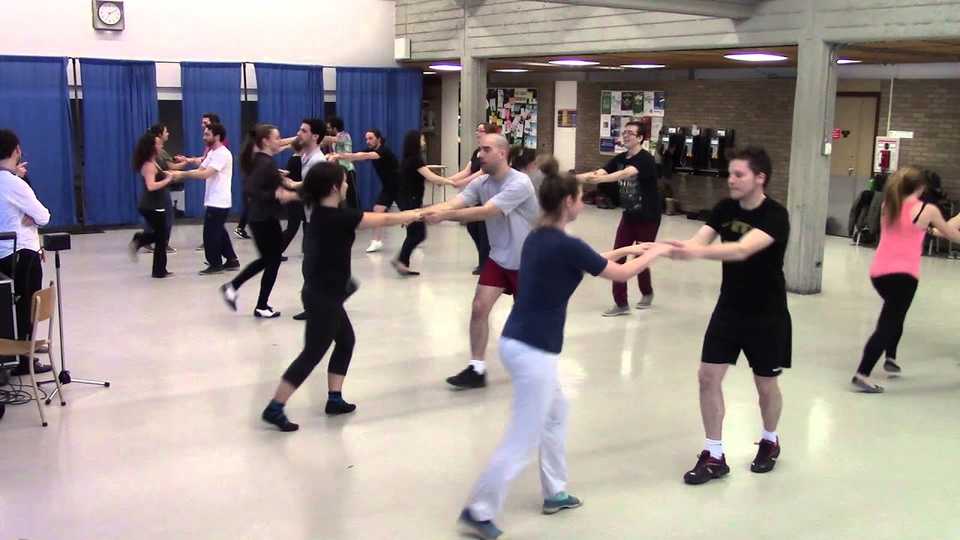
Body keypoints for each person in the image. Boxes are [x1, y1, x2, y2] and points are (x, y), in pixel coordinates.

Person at [458, 170, 672, 540]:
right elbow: (619, 276)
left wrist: (625, 250)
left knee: (556, 413)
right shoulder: (564, 244)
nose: (584, 202)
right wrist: (660, 251)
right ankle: (479, 510)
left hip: (519, 342)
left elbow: (590, 260)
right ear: (568, 202)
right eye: (580, 197)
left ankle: (555, 491)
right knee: (523, 436)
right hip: (533, 350)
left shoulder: (541, 237)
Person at [260, 162, 424, 431]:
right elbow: (382, 219)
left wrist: (291, 192)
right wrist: (417, 214)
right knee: (312, 353)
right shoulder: (338, 217)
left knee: (346, 341)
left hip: (325, 293)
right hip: (324, 297)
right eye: (345, 181)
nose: (348, 185)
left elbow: (306, 193)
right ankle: (275, 406)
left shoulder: (323, 212)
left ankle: (334, 399)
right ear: (335, 187)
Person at [665, 147, 791, 485]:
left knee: (765, 384)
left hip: (767, 313)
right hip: (729, 308)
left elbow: (742, 249)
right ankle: (714, 454)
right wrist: (677, 247)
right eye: (730, 174)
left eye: (739, 174)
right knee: (707, 377)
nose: (731, 180)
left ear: (759, 177)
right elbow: (699, 239)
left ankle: (769, 439)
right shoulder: (723, 209)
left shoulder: (775, 215)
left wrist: (695, 253)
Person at [422, 133, 540, 389]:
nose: (479, 155)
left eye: (485, 149)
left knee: (526, 319)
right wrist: (427, 211)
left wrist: (444, 217)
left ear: (501, 153)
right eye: (479, 150)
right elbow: (456, 201)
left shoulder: (519, 183)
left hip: (529, 261)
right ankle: (477, 369)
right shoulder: (482, 182)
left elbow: (486, 212)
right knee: (478, 309)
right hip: (499, 258)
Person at [852, 166, 960, 393]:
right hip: (904, 277)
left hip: (879, 273)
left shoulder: (887, 205)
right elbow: (951, 234)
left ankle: (890, 356)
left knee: (894, 316)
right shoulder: (927, 210)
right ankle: (862, 373)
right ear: (921, 187)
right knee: (888, 323)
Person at [577, 120, 662, 316]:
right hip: (629, 214)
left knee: (640, 256)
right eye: (624, 132)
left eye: (630, 133)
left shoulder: (645, 160)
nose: (625, 135)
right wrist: (573, 178)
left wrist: (600, 179)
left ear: (640, 138)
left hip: (648, 216)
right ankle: (621, 303)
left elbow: (624, 174)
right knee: (618, 255)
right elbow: (600, 172)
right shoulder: (621, 157)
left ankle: (647, 292)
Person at [219, 124, 289, 318]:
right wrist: (275, 194)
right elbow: (251, 188)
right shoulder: (265, 162)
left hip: (262, 217)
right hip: (263, 218)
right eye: (276, 138)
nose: (279, 141)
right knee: (271, 260)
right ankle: (257, 302)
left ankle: (239, 291)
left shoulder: (262, 160)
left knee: (270, 260)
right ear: (266, 141)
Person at [0, 128, 53, 376]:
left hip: (3, 255)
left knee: (7, 309)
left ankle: (10, 354)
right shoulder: (14, 184)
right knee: (28, 308)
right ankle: (26, 361)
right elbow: (43, 216)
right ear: (16, 151)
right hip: (23, 254)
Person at [177, 123, 239, 275]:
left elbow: (205, 174)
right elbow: (200, 170)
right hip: (213, 199)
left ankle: (215, 264)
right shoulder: (212, 152)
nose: (204, 137)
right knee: (219, 231)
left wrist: (181, 175)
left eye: (207, 134)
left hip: (219, 201)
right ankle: (231, 260)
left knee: (210, 234)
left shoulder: (223, 154)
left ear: (217, 136)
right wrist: (175, 172)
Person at [391, 130, 454, 276]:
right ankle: (401, 260)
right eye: (422, 139)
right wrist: (450, 182)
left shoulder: (408, 159)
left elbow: (422, 177)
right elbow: (432, 177)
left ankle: (402, 263)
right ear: (416, 142)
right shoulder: (415, 160)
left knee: (414, 233)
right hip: (411, 201)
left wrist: (442, 181)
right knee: (418, 234)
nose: (424, 141)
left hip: (407, 200)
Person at [327, 129, 400, 254]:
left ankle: (416, 231)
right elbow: (357, 155)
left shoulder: (384, 151)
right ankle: (376, 241)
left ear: (379, 139)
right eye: (366, 139)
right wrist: (336, 156)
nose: (368, 141)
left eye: (371, 138)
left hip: (400, 185)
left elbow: (363, 156)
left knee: (410, 210)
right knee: (378, 210)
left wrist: (339, 155)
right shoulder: (372, 150)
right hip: (389, 187)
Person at [129, 132, 186, 278]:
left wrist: (172, 174)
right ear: (151, 147)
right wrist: (168, 180)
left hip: (156, 205)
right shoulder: (149, 165)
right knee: (161, 237)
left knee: (161, 237)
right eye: (157, 144)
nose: (161, 145)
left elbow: (165, 172)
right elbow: (151, 186)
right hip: (150, 206)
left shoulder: (155, 161)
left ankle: (157, 267)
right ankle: (142, 243)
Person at [446, 123, 499, 275]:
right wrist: (448, 180)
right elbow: (467, 170)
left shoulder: (491, 151)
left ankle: (485, 264)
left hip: (489, 194)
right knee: (472, 227)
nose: (477, 133)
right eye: (477, 130)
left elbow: (482, 172)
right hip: (477, 194)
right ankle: (486, 259)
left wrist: (460, 183)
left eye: (481, 130)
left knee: (483, 230)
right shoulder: (477, 152)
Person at [326, 116, 360, 209]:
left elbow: (346, 151)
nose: (328, 130)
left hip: (348, 170)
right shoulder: (334, 139)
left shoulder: (345, 135)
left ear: (335, 128)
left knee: (352, 198)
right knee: (341, 197)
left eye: (329, 128)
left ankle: (357, 219)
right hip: (339, 171)